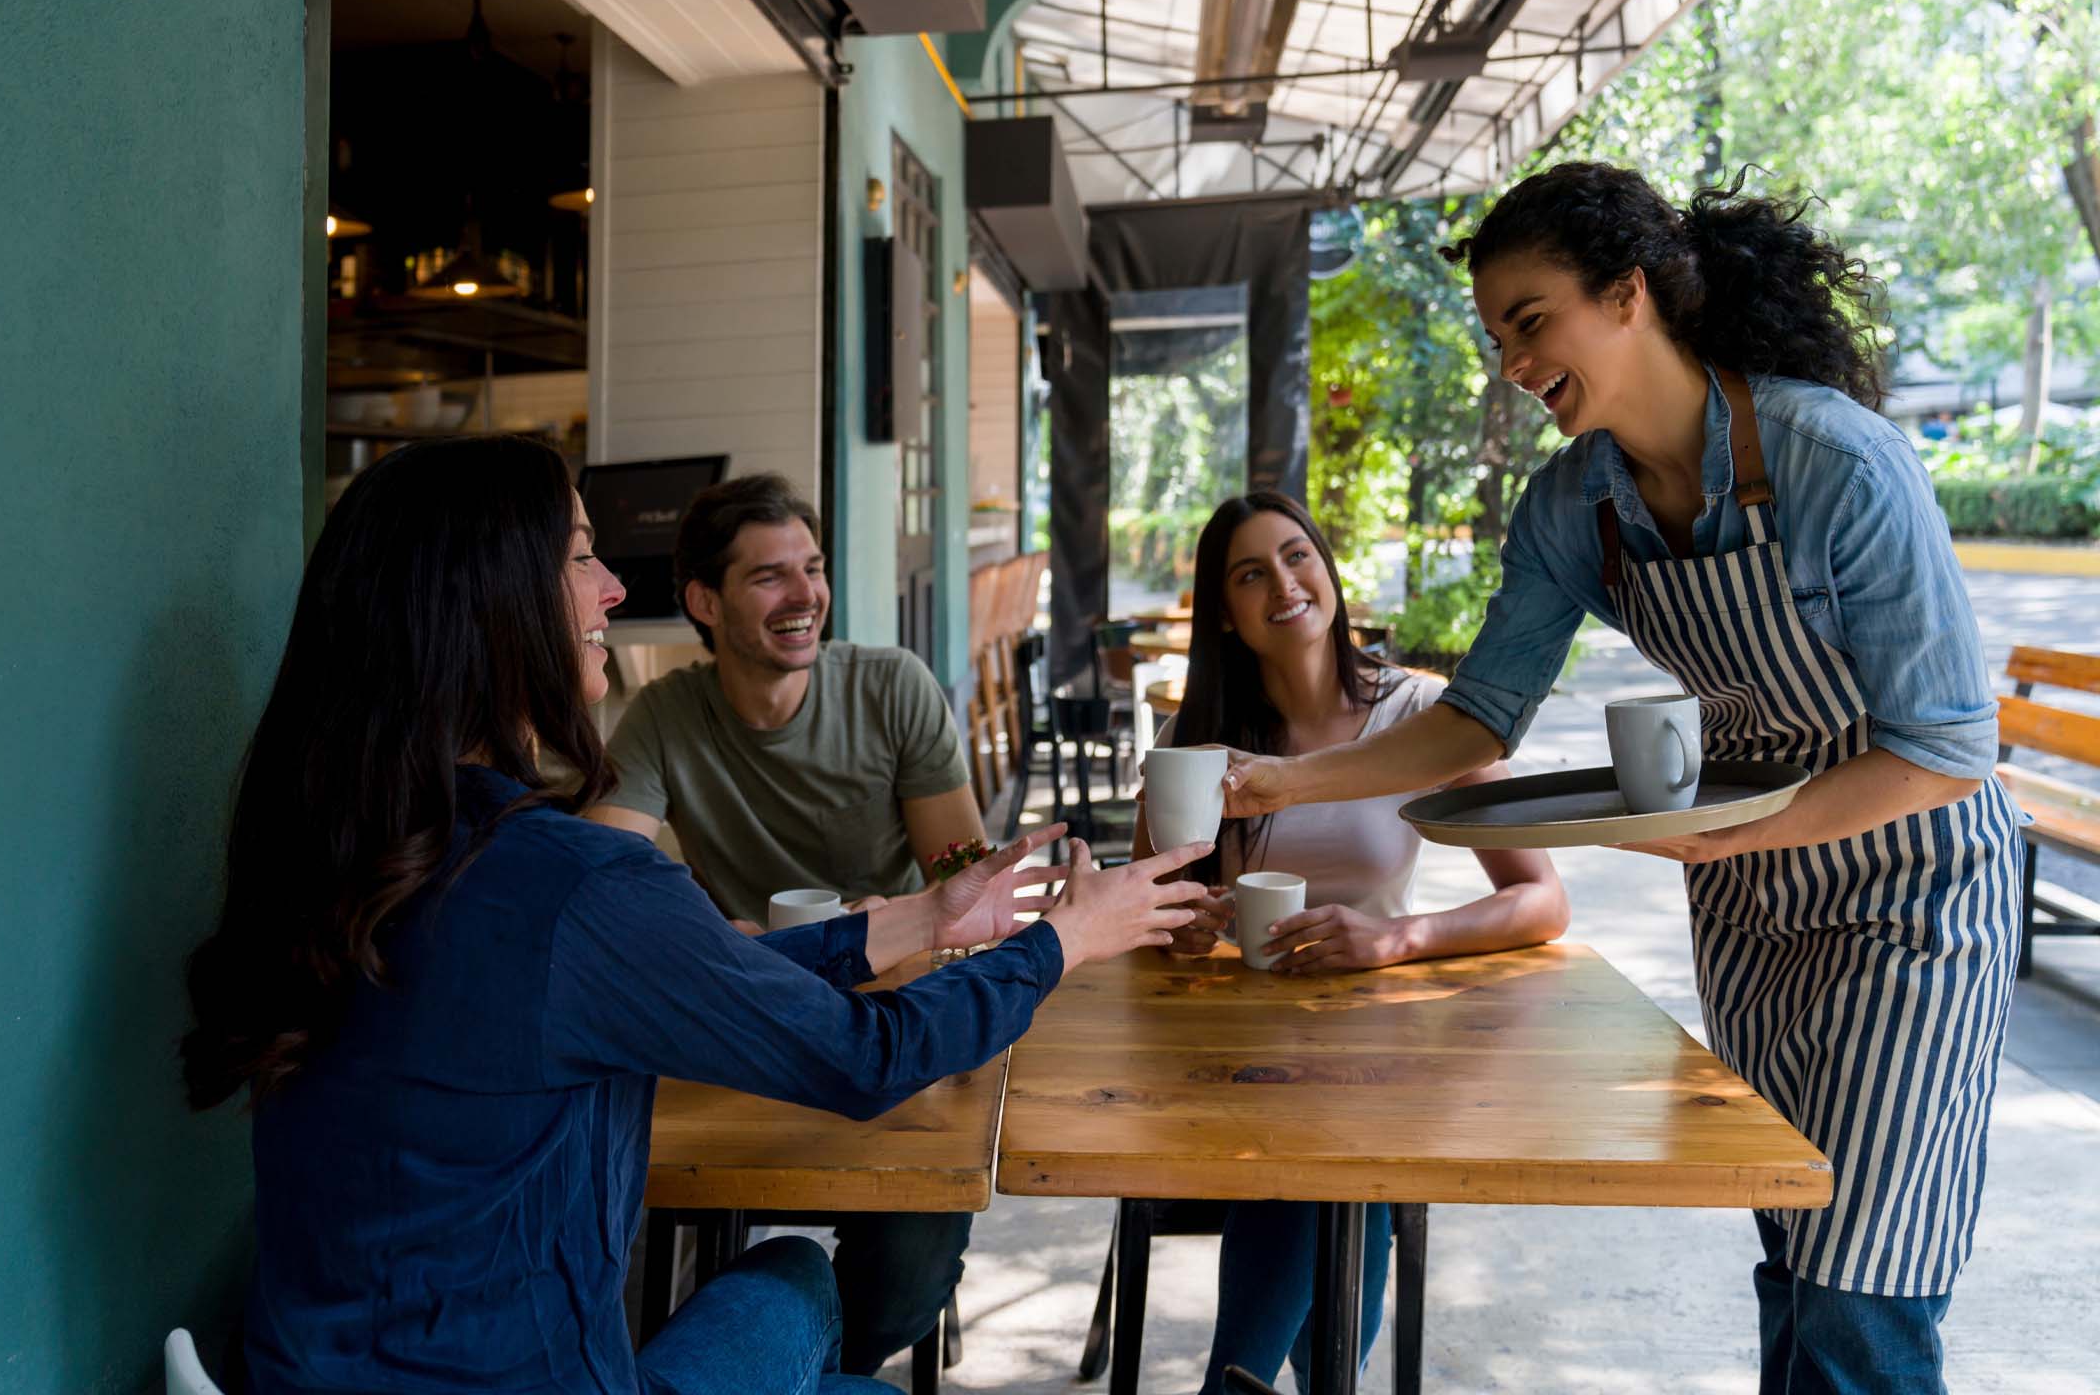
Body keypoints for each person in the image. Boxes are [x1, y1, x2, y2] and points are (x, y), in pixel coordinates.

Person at [179, 436, 1211, 1395]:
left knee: (796, 1279)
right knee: (814, 1313)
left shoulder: (327, 853)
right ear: (486, 605)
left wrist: (909, 923)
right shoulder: (572, 879)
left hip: (297, 1366)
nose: (611, 589)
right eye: (582, 558)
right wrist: (1063, 939)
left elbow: (669, 968)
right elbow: (867, 1059)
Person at [1217, 164, 2021, 1395]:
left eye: (1531, 323)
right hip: (1757, 907)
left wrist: (1743, 836)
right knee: (1798, 1242)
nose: (1512, 364)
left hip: (1916, 893)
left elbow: (1945, 747)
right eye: (1497, 339)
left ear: (1630, 293)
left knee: (1866, 1287)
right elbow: (1477, 724)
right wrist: (1282, 782)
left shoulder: (1839, 466)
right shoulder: (1569, 509)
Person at [1140, 492, 1568, 1395]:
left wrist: (1394, 940)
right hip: (1230, 1063)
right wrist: (1184, 931)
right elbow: (1145, 911)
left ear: (1328, 571)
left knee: (1331, 1142)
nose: (1284, 584)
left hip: (1376, 1049)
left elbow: (1541, 900)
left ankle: (1240, 1381)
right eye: (1251, 573)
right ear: (1223, 610)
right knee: (1311, 1147)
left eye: (1298, 557)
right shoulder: (1197, 740)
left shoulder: (1425, 716)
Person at [587, 472, 993, 1375]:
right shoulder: (662, 716)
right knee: (615, 1203)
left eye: (811, 568)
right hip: (742, 1034)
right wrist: (704, 929)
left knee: (907, 1270)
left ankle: (803, 1361)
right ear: (704, 600)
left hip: (891, 1027)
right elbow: (602, 884)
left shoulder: (891, 688)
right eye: (770, 576)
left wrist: (906, 919)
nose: (806, 594)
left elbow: (969, 882)